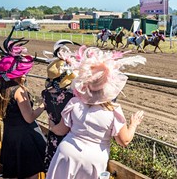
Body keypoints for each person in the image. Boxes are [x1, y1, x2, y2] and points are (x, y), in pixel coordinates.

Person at [46, 47, 146, 179]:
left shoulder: (75, 103)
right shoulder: (113, 110)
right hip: (93, 160)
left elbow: (60, 130)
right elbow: (124, 141)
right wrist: (134, 124)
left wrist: (51, 126)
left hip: (67, 153)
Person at [0, 27, 46, 179]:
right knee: (30, 174)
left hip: (10, 136)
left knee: (14, 173)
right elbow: (29, 118)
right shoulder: (18, 90)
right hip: (25, 139)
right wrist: (43, 105)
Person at [42, 39, 77, 171]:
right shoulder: (72, 97)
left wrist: (52, 126)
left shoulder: (45, 94)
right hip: (70, 140)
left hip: (53, 139)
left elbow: (50, 118)